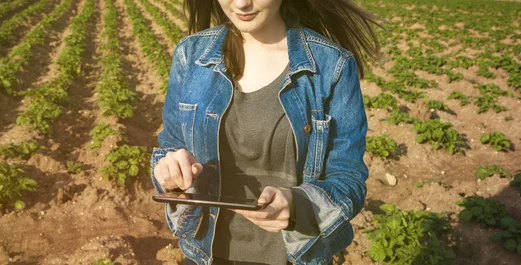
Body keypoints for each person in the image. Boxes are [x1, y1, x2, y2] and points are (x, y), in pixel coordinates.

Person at [151, 0, 381, 264]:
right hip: (204, 253)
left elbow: (348, 179)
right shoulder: (191, 55)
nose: (241, 3)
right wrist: (170, 171)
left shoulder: (331, 65)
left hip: (296, 256)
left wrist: (297, 204)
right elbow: (172, 145)